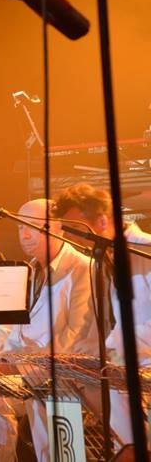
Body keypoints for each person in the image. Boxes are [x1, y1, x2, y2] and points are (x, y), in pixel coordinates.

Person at [0, 198, 98, 461]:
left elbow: (76, 337)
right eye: (20, 227)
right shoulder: (29, 270)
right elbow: (16, 329)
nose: (25, 235)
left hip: (62, 375)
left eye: (32, 226)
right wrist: (1, 359)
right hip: (29, 372)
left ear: (58, 226)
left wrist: (20, 367)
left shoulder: (82, 268)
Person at [53, 183, 151, 449]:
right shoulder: (105, 257)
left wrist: (112, 347)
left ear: (103, 221)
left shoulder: (146, 250)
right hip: (130, 366)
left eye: (76, 230)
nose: (71, 239)